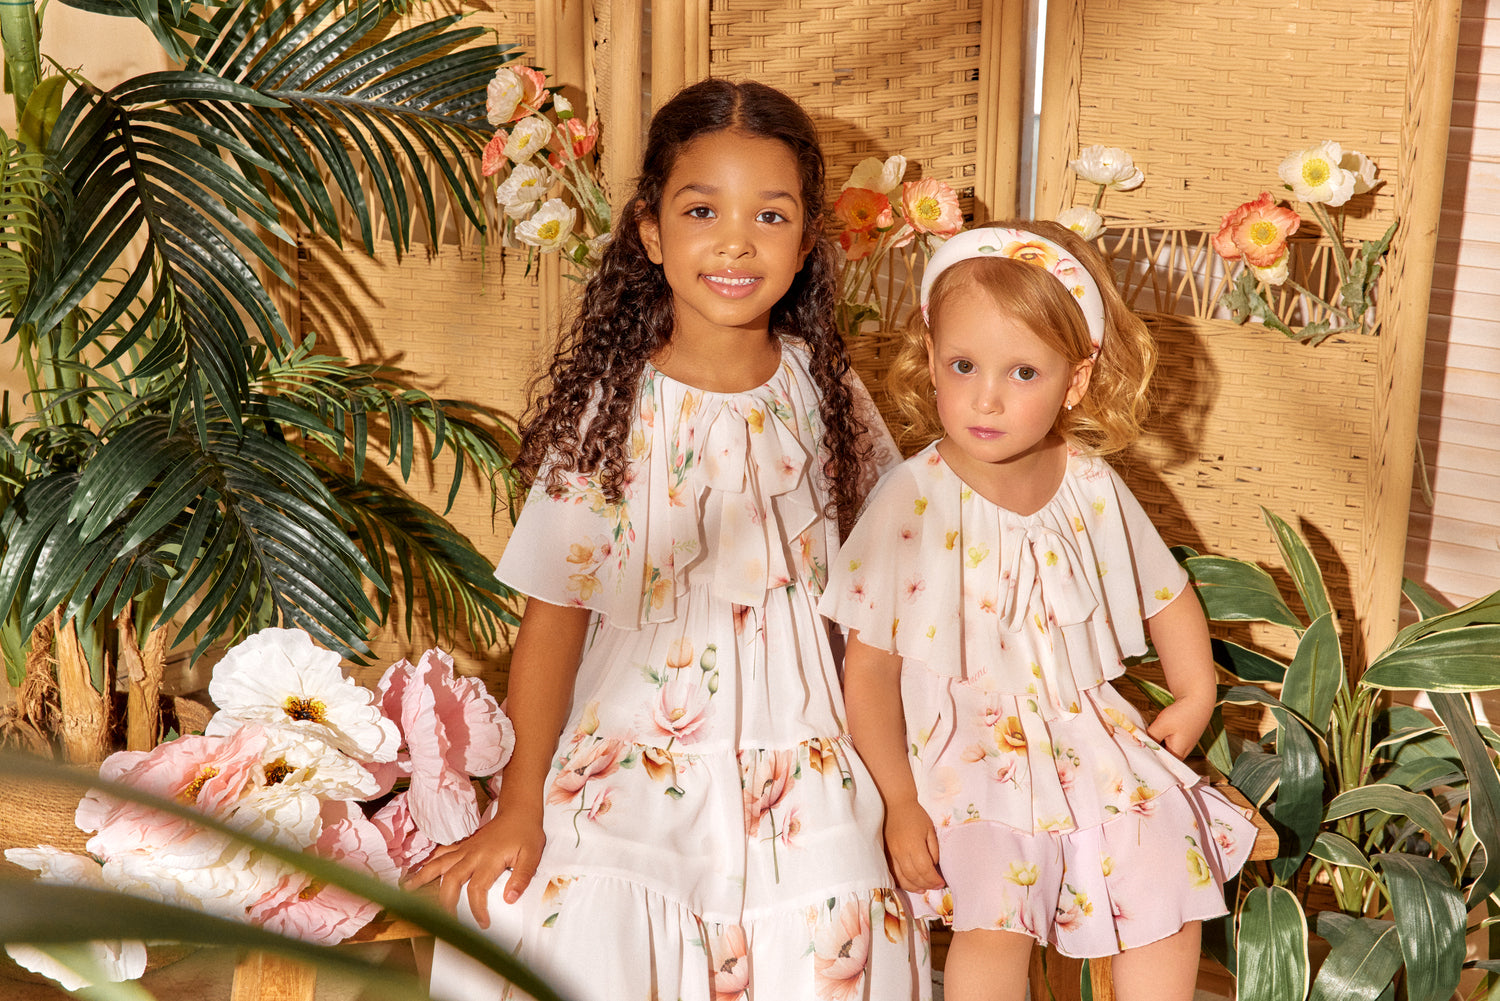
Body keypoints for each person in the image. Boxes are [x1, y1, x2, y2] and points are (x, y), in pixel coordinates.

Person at [410, 79, 930, 1001]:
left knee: (832, 939)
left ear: (808, 240)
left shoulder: (828, 396)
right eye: (703, 210)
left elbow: (880, 610)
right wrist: (521, 803)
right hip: (636, 741)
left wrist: (902, 792)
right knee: (550, 922)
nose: (736, 240)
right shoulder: (616, 408)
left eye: (770, 215)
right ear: (651, 231)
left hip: (806, 753)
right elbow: (556, 616)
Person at [821, 222, 1258, 1001]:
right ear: (931, 357)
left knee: (1163, 880)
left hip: (1079, 734)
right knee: (998, 918)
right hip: (962, 758)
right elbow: (870, 669)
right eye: (963, 365)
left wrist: (1196, 693)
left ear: (1077, 380)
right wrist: (899, 799)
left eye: (1023, 371)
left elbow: (1167, 592)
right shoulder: (913, 498)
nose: (985, 397)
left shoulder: (1088, 482)